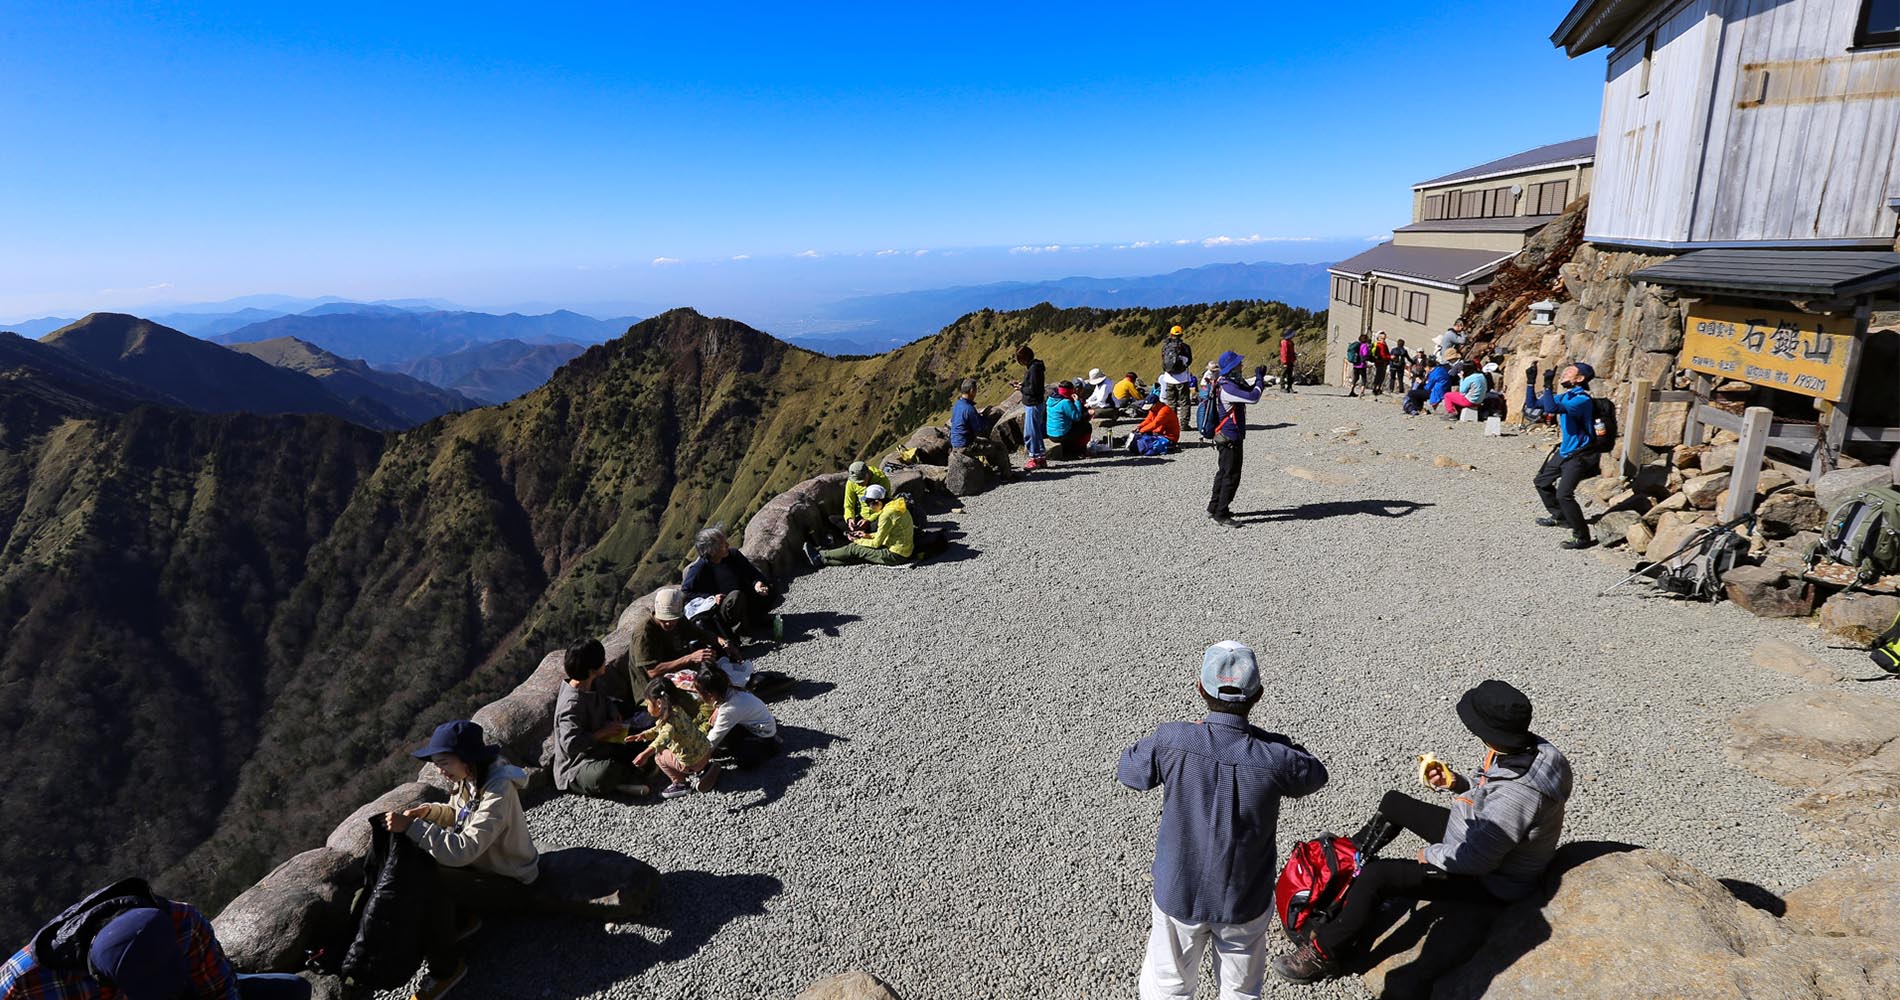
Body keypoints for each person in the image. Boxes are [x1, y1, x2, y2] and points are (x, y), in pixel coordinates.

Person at [1274, 680, 1571, 984]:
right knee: (1394, 803)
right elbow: (1491, 795)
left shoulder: (1516, 796)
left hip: (1490, 879)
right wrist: (1457, 783)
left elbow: (1477, 860)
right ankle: (1346, 867)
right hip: (1479, 834)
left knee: (1379, 876)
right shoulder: (1532, 749)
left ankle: (1323, 953)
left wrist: (1428, 855)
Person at [1119, 642, 1328, 1000]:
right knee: (1241, 992)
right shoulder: (1276, 758)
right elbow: (1315, 774)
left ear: (1200, 688)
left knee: (1167, 987)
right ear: (1258, 695)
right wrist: (1260, 737)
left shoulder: (1173, 739)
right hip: (1242, 897)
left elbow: (1130, 771)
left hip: (1179, 890)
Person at [388, 720, 539, 999]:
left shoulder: (498, 789)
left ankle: (446, 969)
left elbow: (463, 849)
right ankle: (460, 921)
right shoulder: (470, 778)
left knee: (428, 878)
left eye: (443, 762)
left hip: (511, 881)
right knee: (419, 862)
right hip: (483, 869)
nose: (439, 770)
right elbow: (460, 816)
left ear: (467, 758)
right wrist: (429, 813)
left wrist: (412, 828)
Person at [0, 879, 312, 999]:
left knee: (292, 991)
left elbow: (220, 993)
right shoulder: (23, 983)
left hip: (190, 993)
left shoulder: (184, 924)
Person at [552, 637, 650, 798]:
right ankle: (623, 778)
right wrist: (601, 733)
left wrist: (612, 712)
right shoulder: (571, 705)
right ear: (591, 670)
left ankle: (629, 773)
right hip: (577, 765)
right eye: (602, 660)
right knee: (604, 773)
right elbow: (571, 745)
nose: (605, 662)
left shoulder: (591, 683)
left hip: (602, 746)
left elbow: (605, 699)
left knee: (640, 739)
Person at [1533, 363, 1601, 550]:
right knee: (1541, 482)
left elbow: (1552, 409)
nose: (1564, 373)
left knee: (1564, 495)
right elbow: (1534, 405)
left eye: (1569, 371)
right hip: (1564, 451)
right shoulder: (1566, 395)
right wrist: (1531, 383)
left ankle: (1582, 537)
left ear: (1580, 379)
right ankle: (1560, 516)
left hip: (1579, 454)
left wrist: (1548, 385)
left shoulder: (1581, 400)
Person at [681, 526, 782, 642]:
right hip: (722, 607)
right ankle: (740, 632)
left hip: (746, 596)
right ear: (711, 550)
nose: (727, 545)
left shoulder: (733, 555)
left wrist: (758, 583)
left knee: (772, 586)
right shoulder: (700, 569)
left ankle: (756, 619)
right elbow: (686, 591)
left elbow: (753, 573)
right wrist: (711, 597)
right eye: (723, 545)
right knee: (736, 596)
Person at [1205, 351, 1265, 528]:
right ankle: (1221, 514)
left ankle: (1213, 507)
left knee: (1223, 473)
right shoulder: (1228, 387)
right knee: (1231, 476)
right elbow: (1253, 397)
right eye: (1239, 364)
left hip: (1225, 435)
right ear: (1232, 367)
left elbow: (1248, 390)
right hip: (1231, 437)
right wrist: (1260, 379)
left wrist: (1257, 379)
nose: (1241, 365)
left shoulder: (1227, 382)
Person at [631, 680, 716, 799]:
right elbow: (659, 730)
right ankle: (705, 768)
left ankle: (680, 783)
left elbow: (662, 738)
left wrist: (645, 754)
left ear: (659, 703)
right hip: (706, 752)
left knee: (659, 756)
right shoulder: (677, 710)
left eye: (648, 704)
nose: (647, 708)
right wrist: (644, 734)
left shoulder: (669, 724)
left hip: (692, 763)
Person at [696, 660, 782, 770]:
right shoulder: (731, 689)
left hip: (763, 733)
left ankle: (770, 746)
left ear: (710, 695)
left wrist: (698, 757)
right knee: (723, 734)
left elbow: (715, 737)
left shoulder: (729, 709)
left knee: (744, 762)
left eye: (699, 694)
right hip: (756, 723)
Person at [808, 484, 913, 566]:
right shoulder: (897, 505)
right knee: (860, 556)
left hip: (895, 555)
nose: (868, 506)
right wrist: (866, 535)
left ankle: (820, 554)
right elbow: (887, 533)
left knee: (855, 549)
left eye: (868, 503)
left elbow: (876, 544)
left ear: (877, 502)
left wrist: (857, 540)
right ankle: (822, 561)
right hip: (903, 549)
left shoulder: (887, 515)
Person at [948, 378, 1011, 480]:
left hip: (955, 443)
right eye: (976, 390)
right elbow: (980, 429)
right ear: (972, 391)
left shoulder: (957, 405)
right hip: (966, 445)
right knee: (1000, 447)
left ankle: (992, 466)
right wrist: (985, 416)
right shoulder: (969, 409)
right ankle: (1007, 476)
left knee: (985, 442)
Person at [1010, 346, 1048, 471]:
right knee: (1036, 431)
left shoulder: (1033, 369)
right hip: (1036, 403)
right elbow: (1034, 385)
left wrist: (1021, 388)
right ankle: (1041, 458)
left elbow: (1033, 389)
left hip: (1033, 403)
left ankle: (1034, 458)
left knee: (1030, 432)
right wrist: (1023, 384)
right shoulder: (1036, 367)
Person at [842, 460, 890, 535]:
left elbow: (887, 505)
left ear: (867, 474)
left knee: (882, 524)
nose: (859, 484)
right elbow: (848, 505)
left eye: (861, 481)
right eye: (857, 482)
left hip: (877, 517)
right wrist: (850, 518)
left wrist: (869, 520)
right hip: (861, 516)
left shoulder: (881, 479)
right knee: (832, 519)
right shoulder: (851, 482)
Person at [1044, 381, 1090, 456]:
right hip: (1061, 435)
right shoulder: (1065, 402)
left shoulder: (1051, 400)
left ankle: (1071, 448)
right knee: (1086, 426)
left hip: (1050, 434)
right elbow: (1077, 417)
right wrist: (1077, 401)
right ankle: (1080, 450)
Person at [1159, 325, 1196, 416]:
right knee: (1184, 402)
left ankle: (1172, 423)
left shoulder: (1165, 347)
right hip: (1182, 378)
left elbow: (1163, 360)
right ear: (1181, 334)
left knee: (1171, 402)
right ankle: (1184, 424)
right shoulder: (1185, 347)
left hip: (1169, 377)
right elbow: (1189, 361)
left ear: (1171, 334)